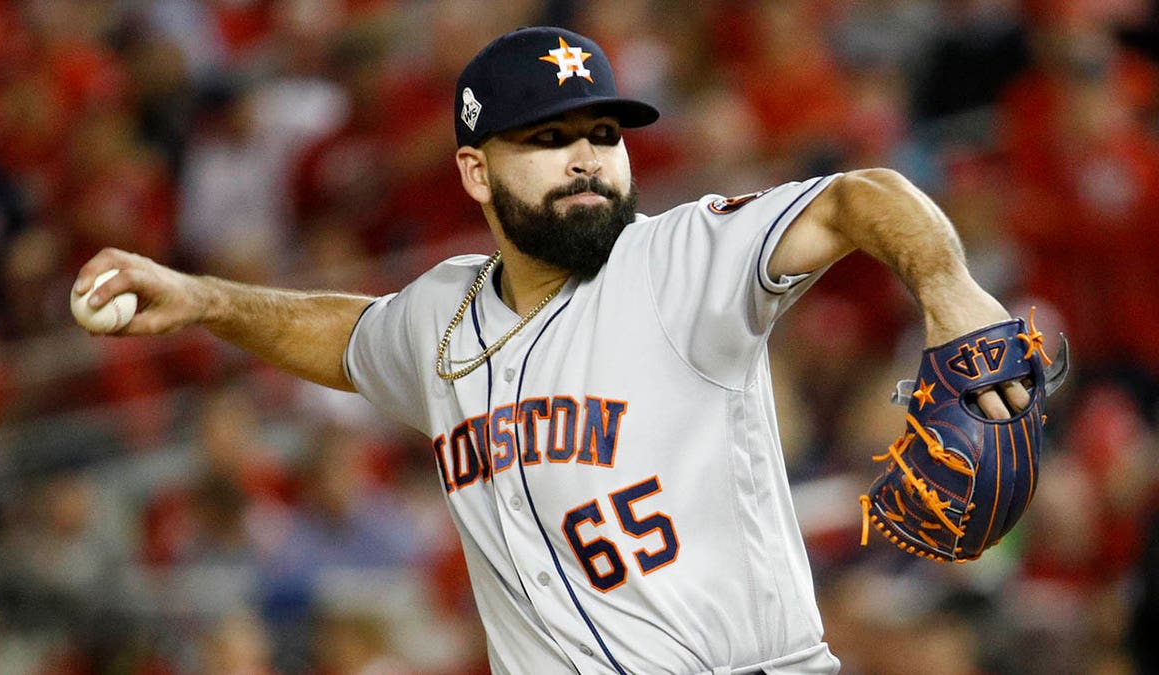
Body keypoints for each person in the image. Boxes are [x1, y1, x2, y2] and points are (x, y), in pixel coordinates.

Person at [74, 26, 1030, 675]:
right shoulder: (441, 311)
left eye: (603, 133)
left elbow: (859, 197)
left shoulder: (678, 259)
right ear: (474, 170)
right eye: (550, 137)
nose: (586, 158)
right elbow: (349, 337)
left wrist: (947, 287)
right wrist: (205, 299)